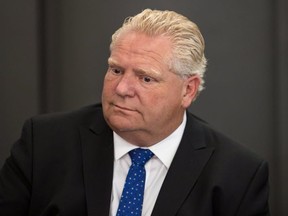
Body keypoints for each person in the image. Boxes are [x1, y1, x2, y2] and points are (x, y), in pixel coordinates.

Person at [0, 9, 269, 216]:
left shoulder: (238, 174)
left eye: (145, 78)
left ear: (188, 90)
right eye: (116, 70)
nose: (122, 88)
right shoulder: (44, 143)